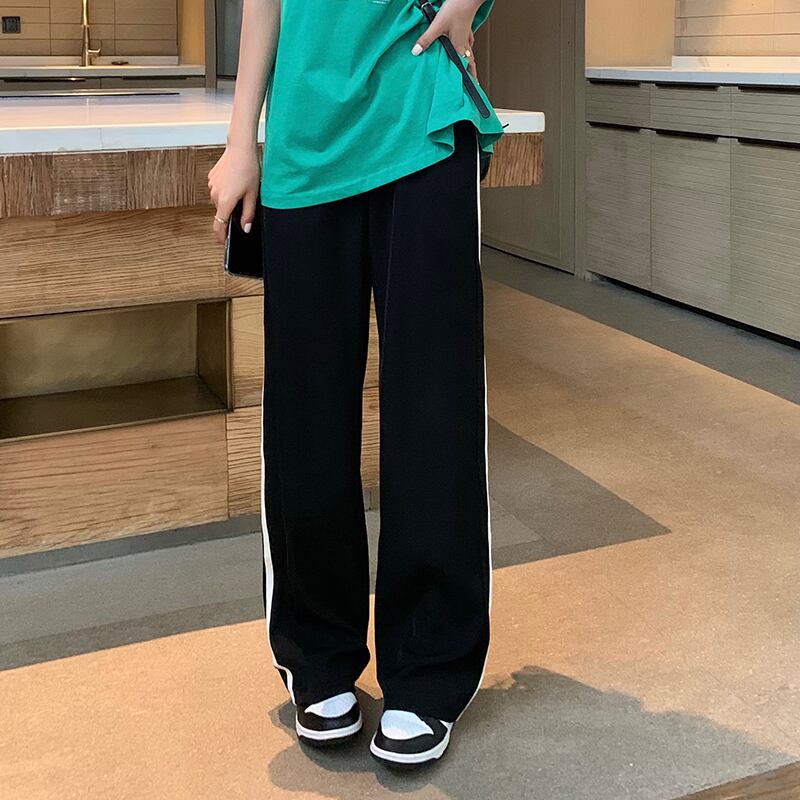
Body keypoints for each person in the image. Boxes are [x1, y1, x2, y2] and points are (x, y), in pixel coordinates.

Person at [208, 0, 504, 768]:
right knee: (305, 414)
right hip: (305, 139)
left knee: (433, 409)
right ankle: (318, 655)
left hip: (421, 115)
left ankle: (428, 667)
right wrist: (241, 141)